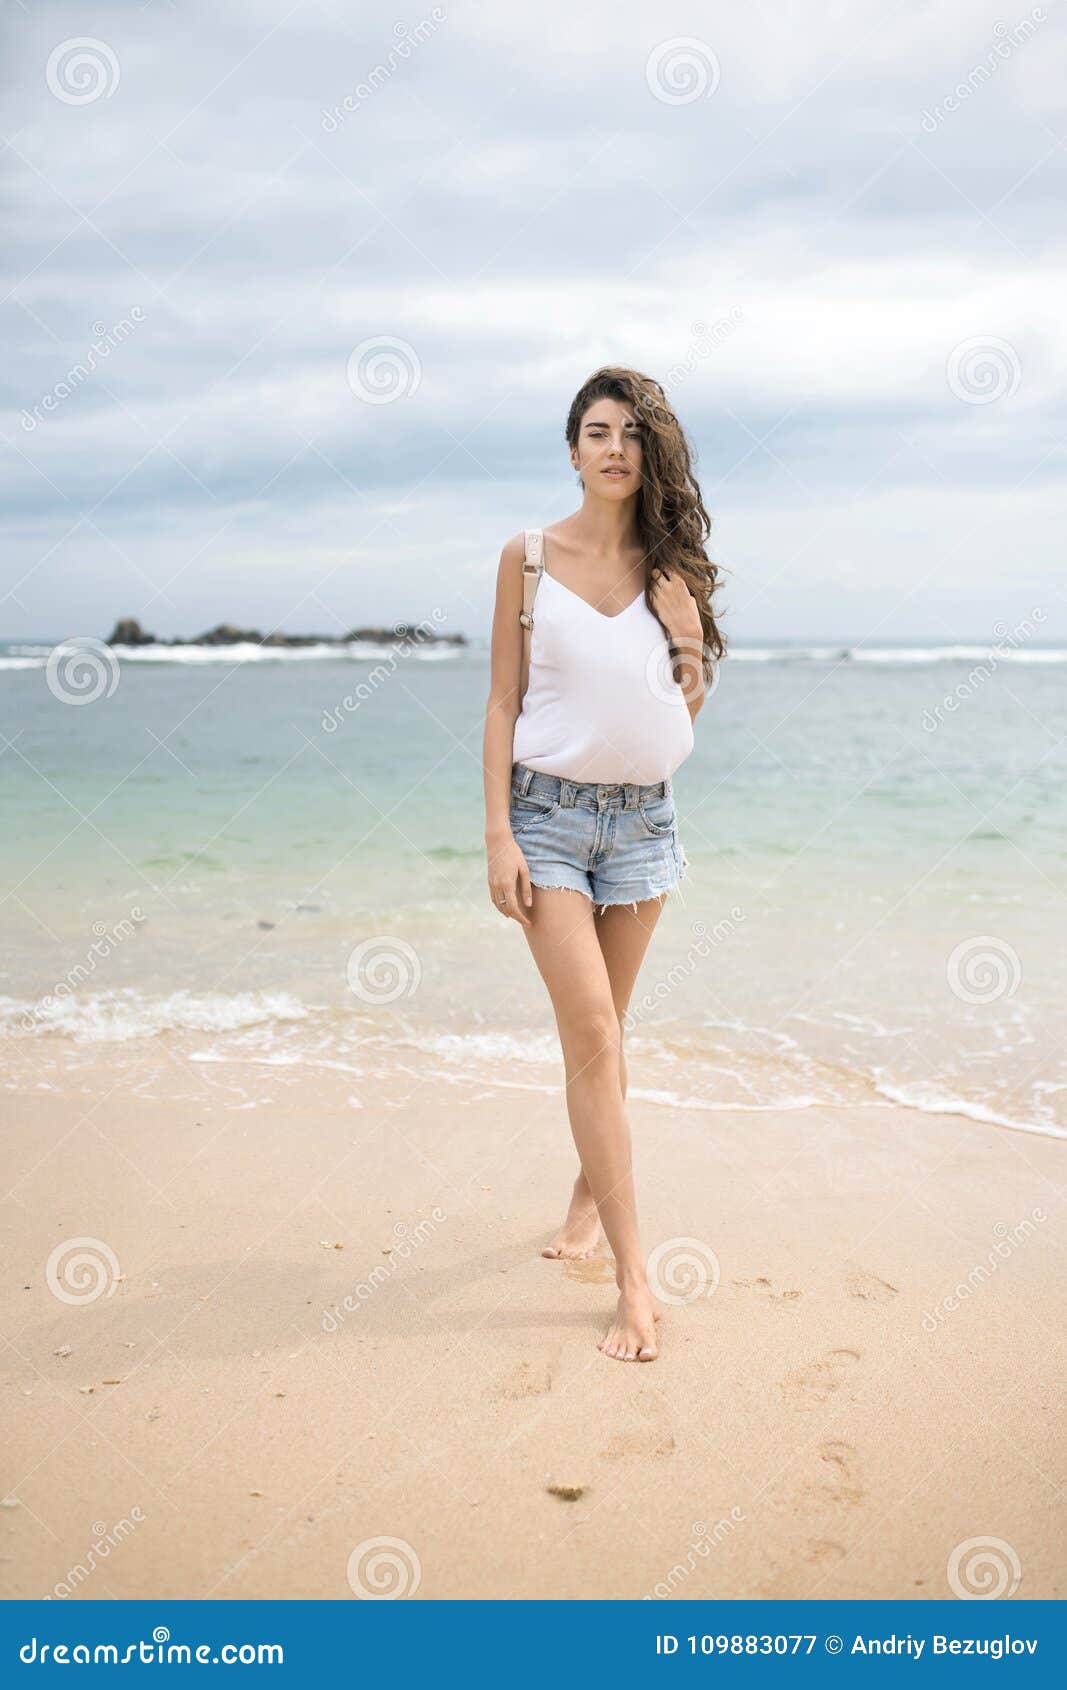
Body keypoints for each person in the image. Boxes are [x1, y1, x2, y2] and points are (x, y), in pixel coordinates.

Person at [482, 365, 724, 1362]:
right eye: (595, 430)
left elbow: (676, 723)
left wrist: (687, 648)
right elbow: (501, 703)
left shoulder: (676, 577)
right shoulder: (526, 560)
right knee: (589, 1029)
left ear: (649, 451)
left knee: (605, 1037)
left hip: (642, 827)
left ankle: (588, 1189)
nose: (613, 446)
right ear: (572, 449)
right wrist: (496, 832)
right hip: (544, 819)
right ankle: (634, 1279)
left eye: (630, 432)